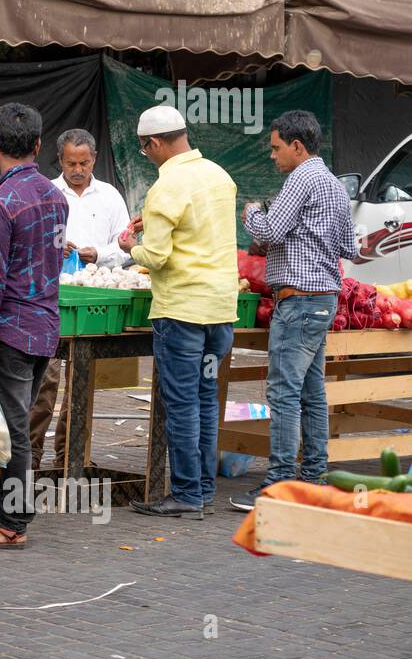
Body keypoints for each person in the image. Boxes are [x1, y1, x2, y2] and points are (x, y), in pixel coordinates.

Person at [230, 111, 357, 512]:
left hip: (299, 301)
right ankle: (314, 477)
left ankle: (280, 482)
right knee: (311, 392)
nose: (273, 156)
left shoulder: (300, 178)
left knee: (284, 392)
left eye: (276, 147)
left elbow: (267, 231)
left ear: (297, 146)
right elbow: (349, 248)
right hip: (322, 299)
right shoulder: (334, 185)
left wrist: (251, 212)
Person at [119, 105, 238, 520]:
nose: (147, 157)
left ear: (153, 143)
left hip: (183, 311)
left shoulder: (166, 186)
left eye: (145, 150)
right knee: (206, 398)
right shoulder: (220, 177)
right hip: (221, 311)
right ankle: (203, 488)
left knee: (183, 403)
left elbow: (156, 255)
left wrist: (128, 248)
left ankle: (186, 492)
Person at [0, 103, 67, 549]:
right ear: (40, 145)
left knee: (14, 429)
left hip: (11, 328)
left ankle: (14, 523)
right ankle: (9, 510)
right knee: (15, 424)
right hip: (44, 325)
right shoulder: (55, 196)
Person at [29, 128, 132, 469]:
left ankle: (70, 461)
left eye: (84, 162)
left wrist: (98, 254)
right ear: (60, 160)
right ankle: (28, 460)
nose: (77, 169)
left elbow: (125, 245)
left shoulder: (110, 196)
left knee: (81, 385)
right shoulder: (45, 191)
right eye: (71, 162)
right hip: (51, 301)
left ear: (94, 160)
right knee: (44, 383)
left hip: (94, 304)